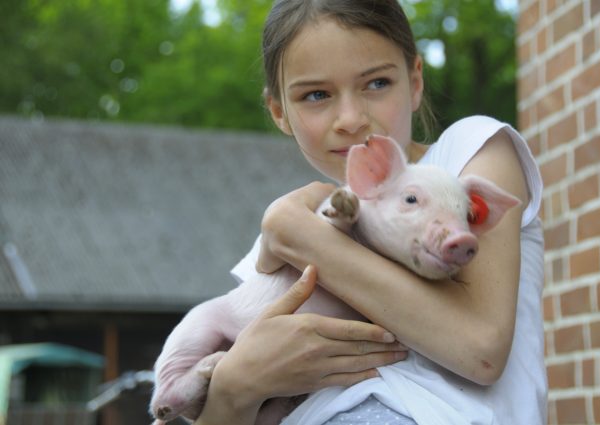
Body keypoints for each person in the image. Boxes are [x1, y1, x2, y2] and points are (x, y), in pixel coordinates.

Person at [194, 0, 546, 424]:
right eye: (317, 95)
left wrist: (297, 234)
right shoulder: (301, 225)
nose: (350, 118)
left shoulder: (469, 153)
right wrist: (235, 386)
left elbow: (481, 349)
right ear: (278, 112)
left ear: (415, 82)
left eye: (376, 83)